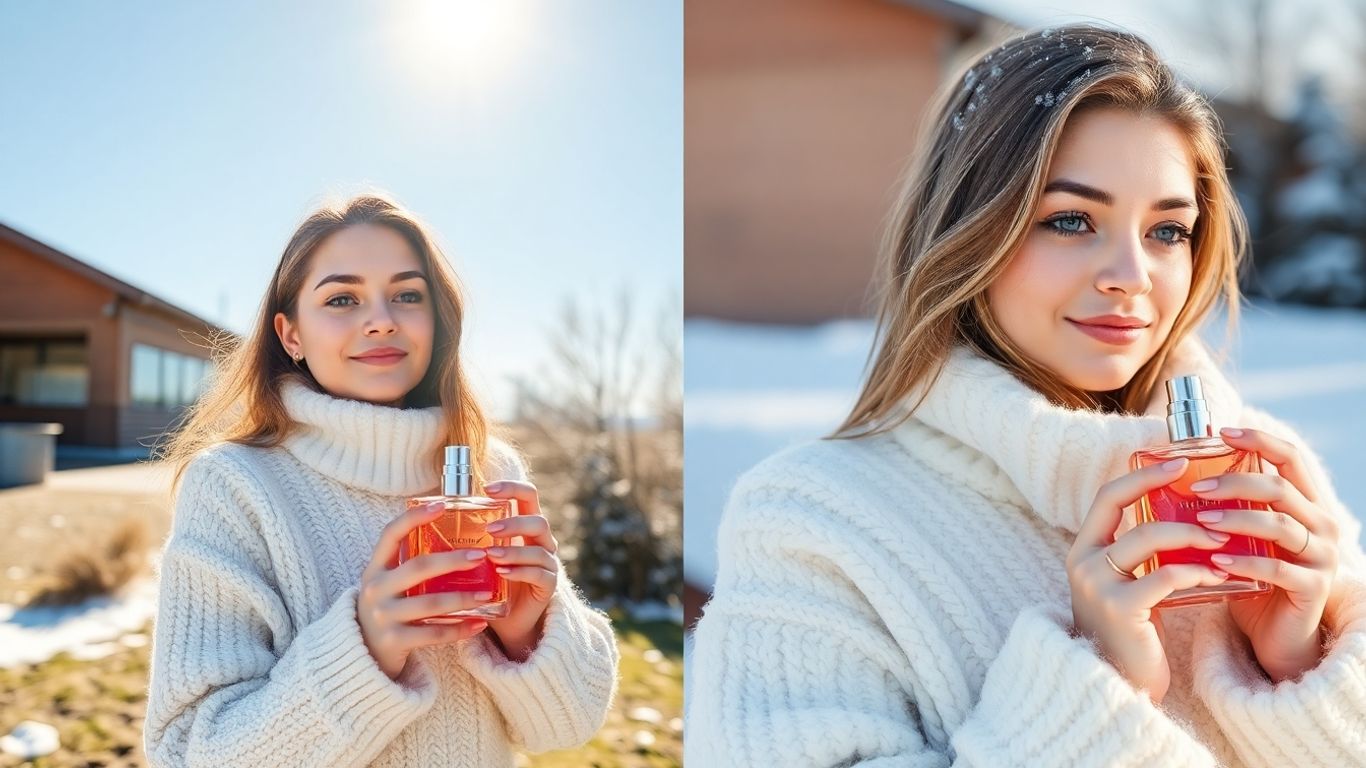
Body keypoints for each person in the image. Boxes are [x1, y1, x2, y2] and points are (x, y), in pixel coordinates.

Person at [688, 24, 1366, 767]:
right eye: (1071, 220)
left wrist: (1303, 666)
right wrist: (1097, 686)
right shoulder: (812, 522)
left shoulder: (1271, 489)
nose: (1131, 274)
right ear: (968, 233)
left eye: (1168, 230)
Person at [143, 193, 619, 767]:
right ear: (290, 334)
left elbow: (572, 724)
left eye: (407, 295)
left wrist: (527, 634)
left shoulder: (490, 473)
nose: (381, 320)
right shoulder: (234, 486)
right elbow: (186, 753)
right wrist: (367, 647)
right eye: (342, 298)